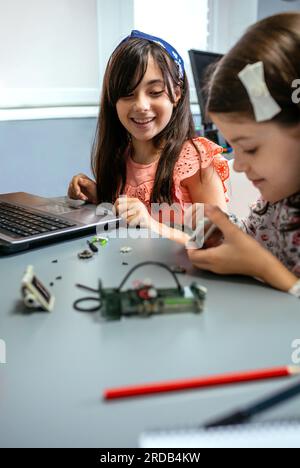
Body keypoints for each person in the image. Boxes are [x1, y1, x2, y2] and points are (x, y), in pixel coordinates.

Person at [68, 30, 229, 243]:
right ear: (113, 100)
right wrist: (99, 196)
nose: (141, 106)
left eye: (154, 92)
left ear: (177, 95)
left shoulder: (196, 160)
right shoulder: (120, 157)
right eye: (127, 94)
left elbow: (219, 242)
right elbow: (129, 216)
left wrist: (152, 226)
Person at [187, 13, 300, 297]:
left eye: (250, 148)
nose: (237, 166)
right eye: (233, 147)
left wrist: (264, 268)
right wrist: (223, 232)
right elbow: (256, 241)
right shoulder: (278, 201)